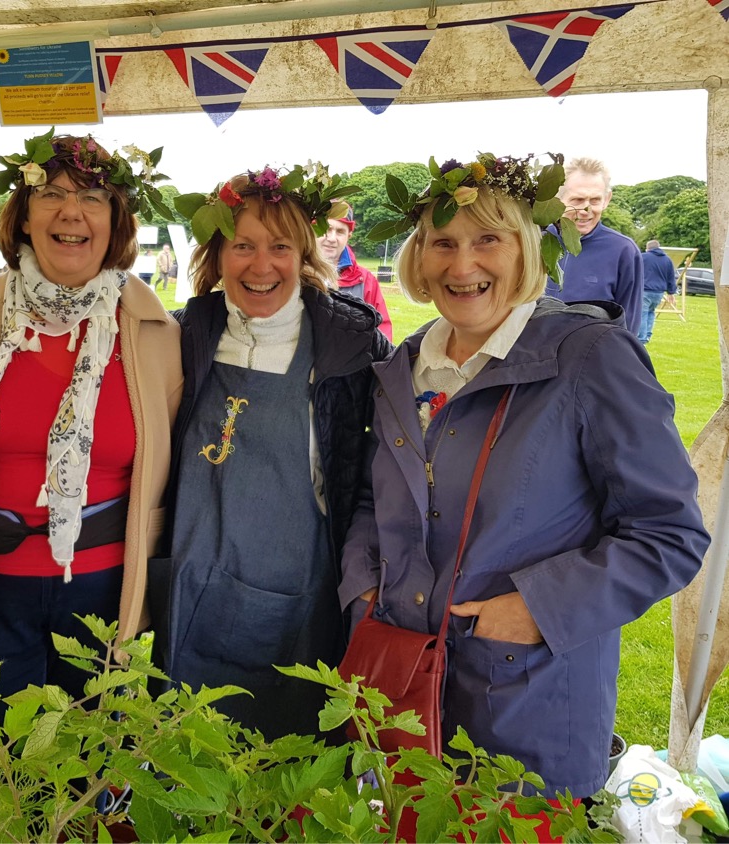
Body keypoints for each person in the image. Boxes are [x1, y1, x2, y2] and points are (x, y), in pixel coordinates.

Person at [340, 153, 708, 810]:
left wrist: (539, 608)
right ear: (418, 257)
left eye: (488, 239)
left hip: (525, 702)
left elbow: (668, 533)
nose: (462, 265)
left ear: (526, 249)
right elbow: (375, 496)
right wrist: (363, 588)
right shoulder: (402, 366)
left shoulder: (587, 358)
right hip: (395, 684)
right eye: (443, 243)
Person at [0, 131, 182, 753]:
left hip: (103, 590)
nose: (70, 212)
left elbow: (170, 462)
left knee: (83, 767)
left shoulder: (152, 328)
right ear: (23, 217)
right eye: (51, 194)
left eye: (92, 198)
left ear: (117, 223)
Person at [152, 165, 390, 740]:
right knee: (187, 760)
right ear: (216, 255)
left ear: (304, 255)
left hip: (294, 602)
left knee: (284, 773)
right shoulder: (183, 335)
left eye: (280, 247)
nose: (262, 266)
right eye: (243, 247)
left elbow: (384, 476)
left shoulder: (349, 347)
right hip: (188, 596)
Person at [545, 157, 643, 336]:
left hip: (592, 358)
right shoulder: (535, 241)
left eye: (595, 200)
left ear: (607, 199)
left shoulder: (624, 251)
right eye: (577, 200)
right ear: (558, 199)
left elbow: (629, 326)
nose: (586, 209)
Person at [316, 209, 393, 341]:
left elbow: (382, 332)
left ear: (349, 236)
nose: (332, 238)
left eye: (340, 232)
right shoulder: (292, 273)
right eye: (327, 229)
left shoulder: (366, 280)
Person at [639, 238, 678, 344]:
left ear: (648, 248)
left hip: (645, 290)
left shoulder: (642, 257)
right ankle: (647, 335)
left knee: (642, 313)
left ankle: (641, 338)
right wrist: (671, 293)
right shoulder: (667, 259)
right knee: (651, 312)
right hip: (659, 292)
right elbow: (671, 277)